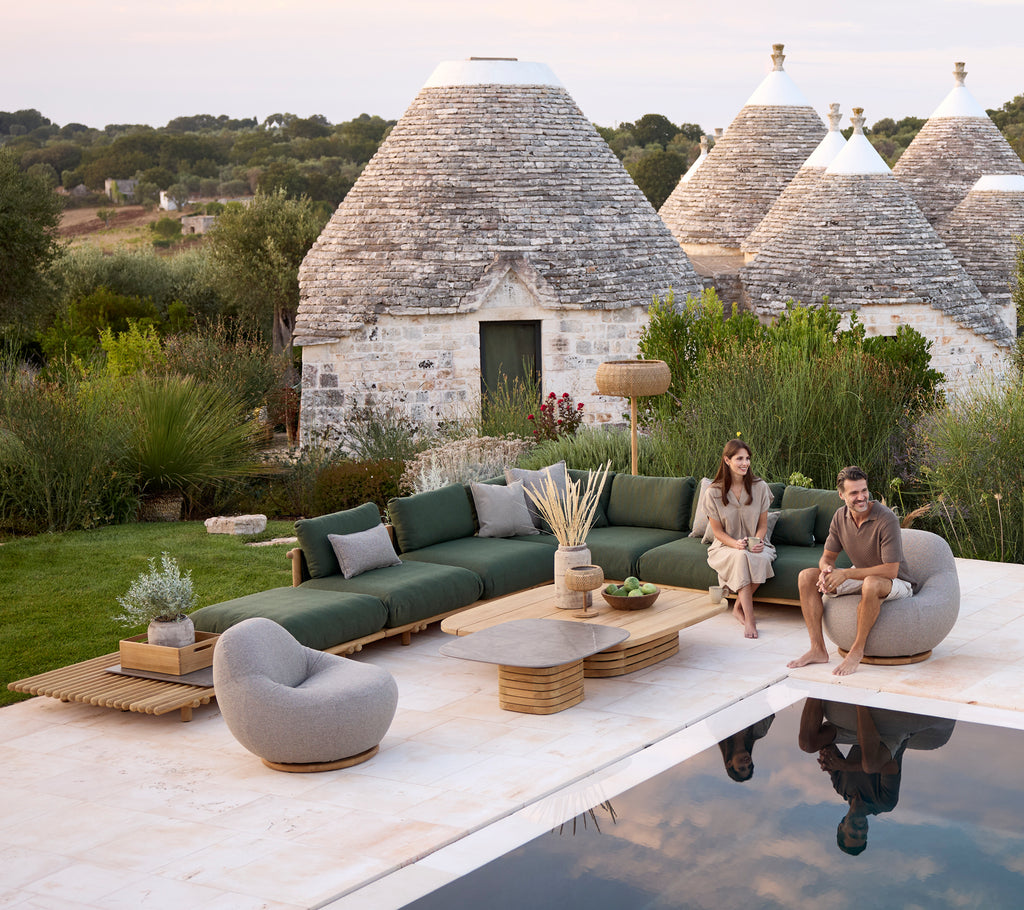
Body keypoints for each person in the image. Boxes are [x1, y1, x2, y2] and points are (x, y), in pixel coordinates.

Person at [788, 465, 914, 676]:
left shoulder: (886, 519)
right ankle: (817, 649)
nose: (861, 497)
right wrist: (826, 570)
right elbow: (827, 557)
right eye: (854, 493)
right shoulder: (840, 517)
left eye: (864, 490)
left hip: (896, 582)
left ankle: (857, 651)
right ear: (841, 495)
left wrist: (845, 573)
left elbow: (891, 570)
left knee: (871, 582)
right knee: (806, 577)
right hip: (862, 575)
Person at [797, 699, 905, 855]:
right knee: (870, 765)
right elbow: (891, 767)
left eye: (854, 834)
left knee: (807, 744)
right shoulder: (884, 803)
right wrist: (846, 766)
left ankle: (815, 690)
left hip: (860, 736)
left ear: (842, 826)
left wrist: (827, 758)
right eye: (863, 835)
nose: (860, 830)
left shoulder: (841, 788)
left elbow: (829, 750)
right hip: (888, 739)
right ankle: (860, 699)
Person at [704, 439, 776, 639]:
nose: (745, 463)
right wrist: (735, 544)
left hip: (757, 544)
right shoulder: (713, 493)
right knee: (740, 557)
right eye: (739, 459)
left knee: (758, 559)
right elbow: (717, 531)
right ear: (727, 460)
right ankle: (750, 620)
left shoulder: (759, 487)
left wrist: (759, 541)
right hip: (726, 545)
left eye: (747, 459)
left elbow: (762, 525)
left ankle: (737, 607)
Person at [717, 714, 775, 782]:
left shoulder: (718, 731)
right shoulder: (760, 730)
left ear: (729, 764)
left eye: (742, 768)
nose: (747, 763)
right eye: (750, 766)